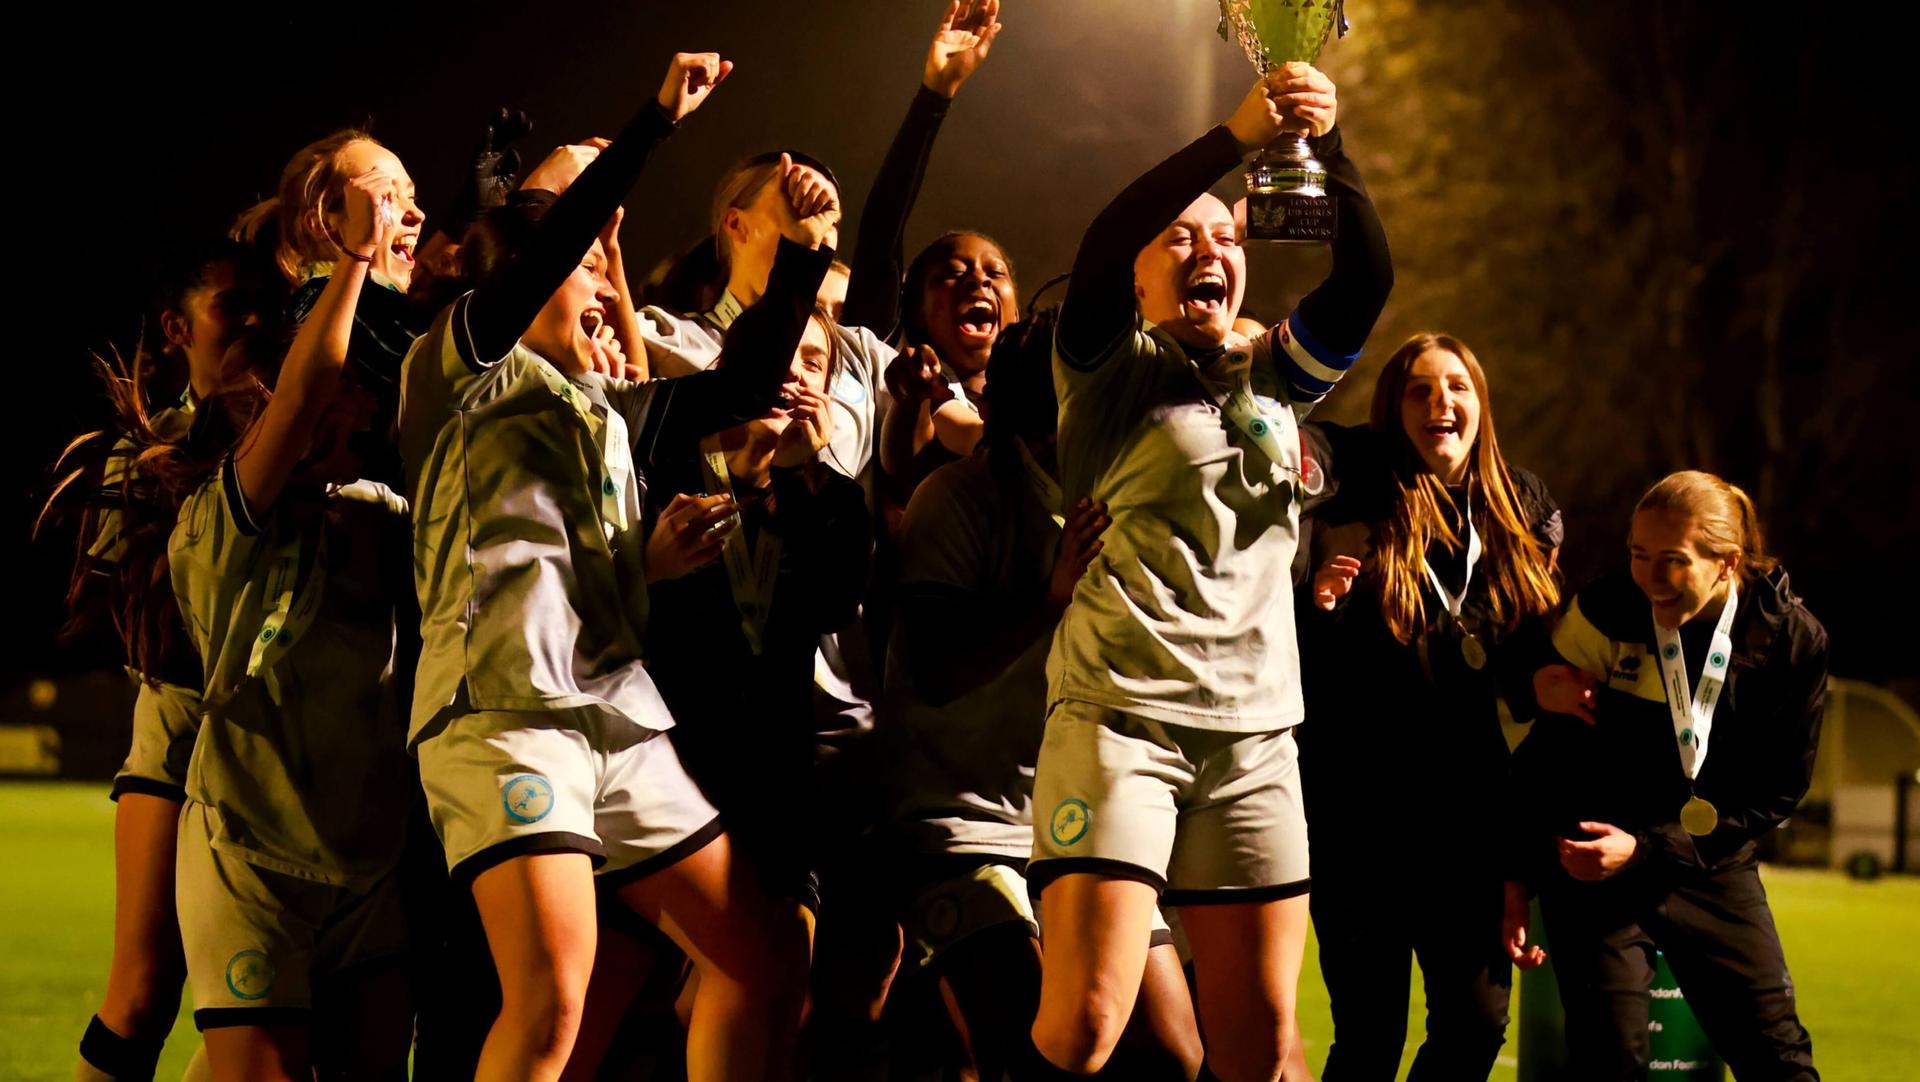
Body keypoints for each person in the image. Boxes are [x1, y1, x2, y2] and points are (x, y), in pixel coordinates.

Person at [398, 53, 822, 1081]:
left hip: (616, 721)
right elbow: (542, 260)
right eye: (583, 273)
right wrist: (650, 128)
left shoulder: (608, 412)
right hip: (501, 720)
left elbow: (748, 381)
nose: (601, 294)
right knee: (549, 1001)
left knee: (763, 957)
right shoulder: (458, 374)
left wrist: (807, 254)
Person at [1028, 61, 1392, 1081]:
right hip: (1120, 723)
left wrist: (1325, 144)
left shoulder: (1280, 376)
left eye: (1227, 237)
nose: (1210, 251)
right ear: (1143, 277)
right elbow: (1105, 234)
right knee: (1088, 1022)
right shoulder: (1108, 370)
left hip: (1258, 741)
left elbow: (1366, 281)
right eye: (1182, 238)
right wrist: (1234, 136)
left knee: (1265, 1048)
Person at [886, 309, 1205, 1080]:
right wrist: (1050, 596)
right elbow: (937, 670)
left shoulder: (1118, 495)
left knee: (1172, 1055)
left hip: (1081, 811)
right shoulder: (958, 497)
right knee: (1034, 1041)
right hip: (963, 823)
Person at [167, 171, 415, 1080]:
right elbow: (304, 395)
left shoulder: (384, 510)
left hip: (371, 865)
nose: (342, 393)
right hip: (252, 860)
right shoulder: (219, 519)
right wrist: (353, 256)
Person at [1297, 332, 1562, 1080]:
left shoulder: (1522, 507)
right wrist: (1317, 611)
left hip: (1469, 820)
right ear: (1392, 409)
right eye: (1419, 390)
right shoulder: (1351, 497)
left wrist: (1545, 679)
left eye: (1457, 387)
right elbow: (1301, 654)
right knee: (1369, 1041)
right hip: (1359, 819)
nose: (1440, 403)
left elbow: (1521, 660)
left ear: (1481, 405)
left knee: (1477, 1027)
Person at [1505, 470, 1826, 1082]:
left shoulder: (1789, 641)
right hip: (1593, 859)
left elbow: (1780, 790)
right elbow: (1543, 746)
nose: (1651, 577)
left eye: (1673, 560)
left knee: (1776, 1054)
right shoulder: (1605, 610)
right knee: (1609, 1063)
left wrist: (1650, 850)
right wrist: (1519, 872)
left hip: (1707, 864)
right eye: (1638, 554)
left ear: (1726, 563)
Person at [45, 239, 267, 1082]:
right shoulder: (142, 451)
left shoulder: (315, 428)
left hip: (291, 753)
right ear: (176, 328)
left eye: (262, 306)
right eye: (229, 307)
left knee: (272, 1009)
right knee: (143, 992)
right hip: (180, 742)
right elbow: (125, 617)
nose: (251, 323)